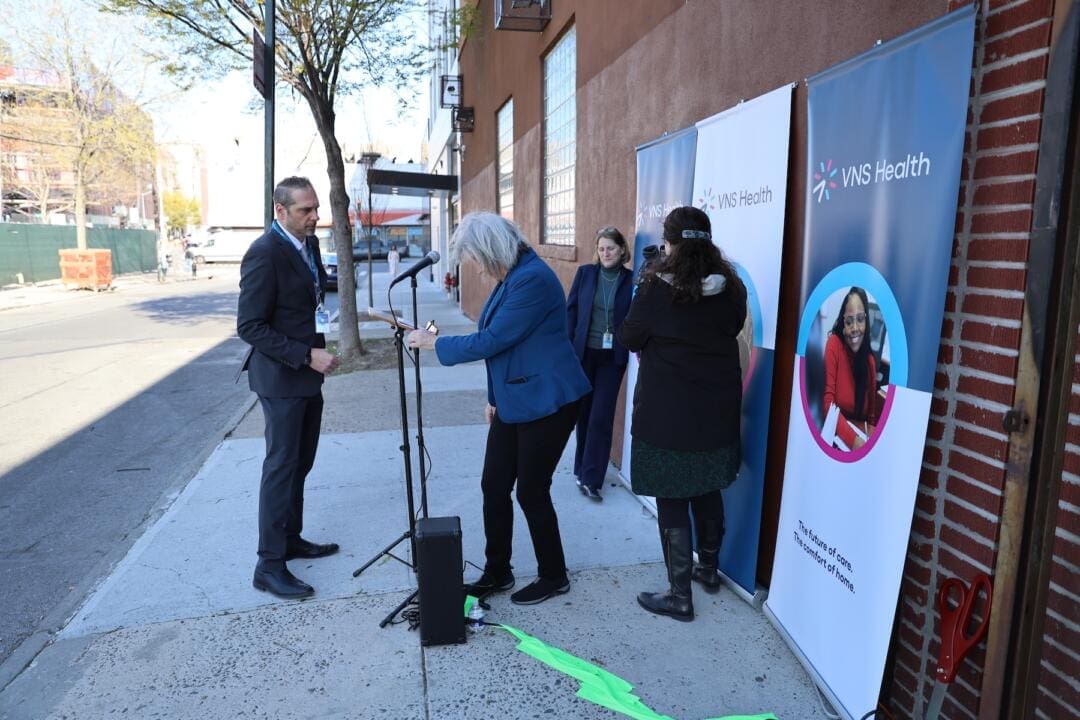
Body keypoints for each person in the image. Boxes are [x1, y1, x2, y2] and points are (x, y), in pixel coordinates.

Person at [407, 212, 590, 606]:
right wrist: (494, 397)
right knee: (493, 484)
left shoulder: (532, 280)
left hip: (549, 400)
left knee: (531, 491)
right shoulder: (512, 277)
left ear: (493, 250)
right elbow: (501, 348)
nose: (477, 267)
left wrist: (433, 344)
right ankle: (497, 571)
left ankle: (554, 575)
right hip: (515, 398)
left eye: (476, 257)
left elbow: (491, 340)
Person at [618, 206, 747, 622]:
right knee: (708, 487)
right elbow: (729, 328)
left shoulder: (656, 288)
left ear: (670, 243)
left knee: (672, 497)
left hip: (666, 413)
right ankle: (707, 569)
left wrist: (648, 280)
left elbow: (629, 337)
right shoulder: (732, 288)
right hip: (717, 411)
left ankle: (679, 596)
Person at [237, 176, 341, 600]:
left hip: (306, 376)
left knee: (301, 463)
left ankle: (291, 539)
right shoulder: (264, 253)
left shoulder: (309, 244)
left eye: (316, 208)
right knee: (281, 468)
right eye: (305, 210)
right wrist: (305, 355)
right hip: (281, 379)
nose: (315, 216)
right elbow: (250, 326)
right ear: (281, 211)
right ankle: (269, 564)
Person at [565, 226, 633, 501]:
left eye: (611, 248)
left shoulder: (630, 280)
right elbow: (571, 311)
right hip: (584, 355)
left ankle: (592, 479)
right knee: (583, 414)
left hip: (612, 358)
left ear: (621, 250)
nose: (606, 253)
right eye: (602, 248)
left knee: (601, 417)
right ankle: (582, 468)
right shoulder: (586, 274)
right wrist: (568, 350)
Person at [823, 286, 879, 450]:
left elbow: (871, 418)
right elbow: (827, 404)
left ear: (866, 322)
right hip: (835, 441)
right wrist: (854, 442)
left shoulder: (870, 362)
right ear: (842, 324)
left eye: (860, 319)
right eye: (849, 321)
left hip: (860, 444)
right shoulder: (834, 345)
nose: (855, 328)